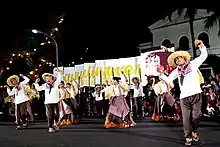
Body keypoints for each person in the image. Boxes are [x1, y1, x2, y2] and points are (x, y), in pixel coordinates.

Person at [157, 40, 208, 146]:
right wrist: (160, 73)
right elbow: (168, 79)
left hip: (196, 94)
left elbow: (204, 56)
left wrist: (201, 45)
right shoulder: (176, 71)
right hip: (184, 97)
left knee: (196, 115)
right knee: (185, 119)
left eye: (179, 58)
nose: (177, 60)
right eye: (176, 59)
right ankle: (188, 136)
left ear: (184, 58)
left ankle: (193, 130)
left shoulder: (193, 65)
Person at [34, 68, 63, 133]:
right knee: (49, 115)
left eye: (49, 78)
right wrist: (36, 83)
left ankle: (55, 124)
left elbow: (60, 78)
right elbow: (38, 89)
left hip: (55, 102)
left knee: (56, 114)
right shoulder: (45, 85)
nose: (48, 80)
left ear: (52, 79)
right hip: (48, 102)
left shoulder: (55, 84)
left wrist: (58, 72)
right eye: (46, 79)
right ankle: (50, 127)